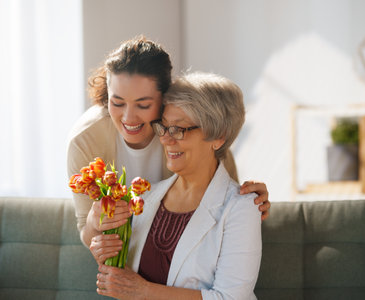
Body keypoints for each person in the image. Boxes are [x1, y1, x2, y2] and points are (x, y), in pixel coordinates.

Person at [67, 36, 270, 248]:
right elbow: (86, 231)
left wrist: (251, 203)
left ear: (165, 97)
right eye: (117, 102)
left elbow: (225, 206)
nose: (128, 118)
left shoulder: (196, 133)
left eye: (143, 105)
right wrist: (94, 222)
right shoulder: (85, 140)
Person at [95, 72, 262, 299]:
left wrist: (144, 291)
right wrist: (105, 251)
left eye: (179, 129)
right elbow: (124, 277)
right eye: (163, 127)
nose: (165, 139)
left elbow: (231, 298)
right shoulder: (145, 196)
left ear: (219, 136)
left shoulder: (241, 207)